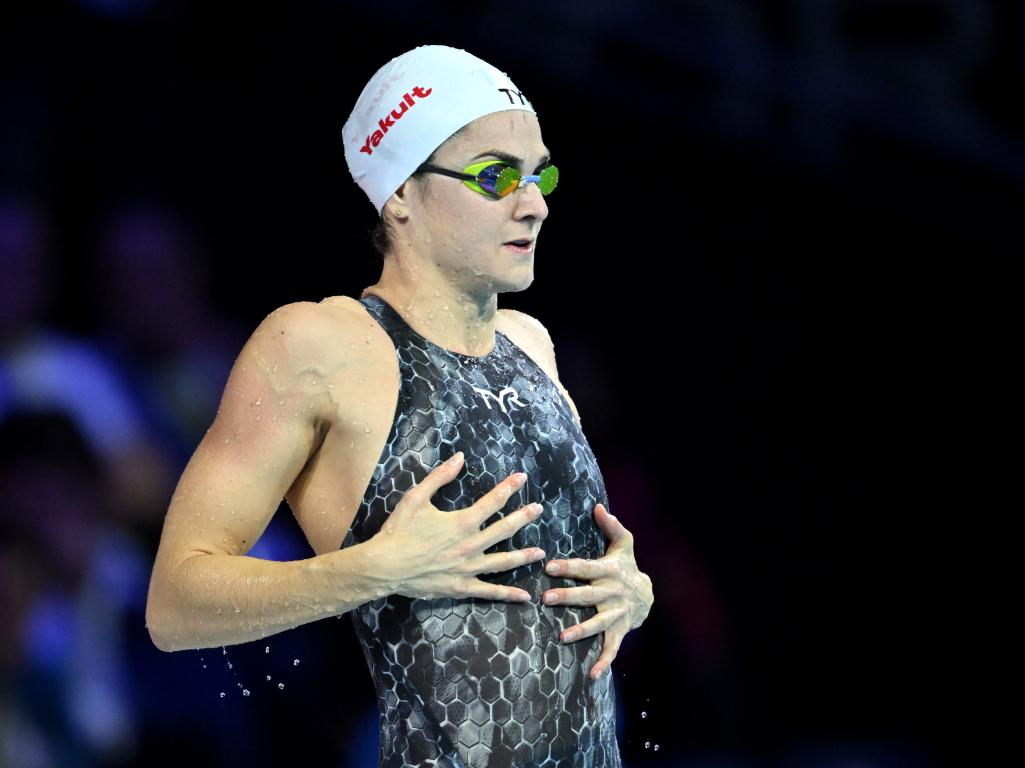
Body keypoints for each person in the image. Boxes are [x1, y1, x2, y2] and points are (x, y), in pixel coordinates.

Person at [145, 44, 654, 767]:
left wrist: (628, 590)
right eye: (495, 176)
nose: (534, 202)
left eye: (539, 172)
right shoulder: (317, 344)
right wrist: (373, 570)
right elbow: (174, 605)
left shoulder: (531, 344)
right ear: (400, 195)